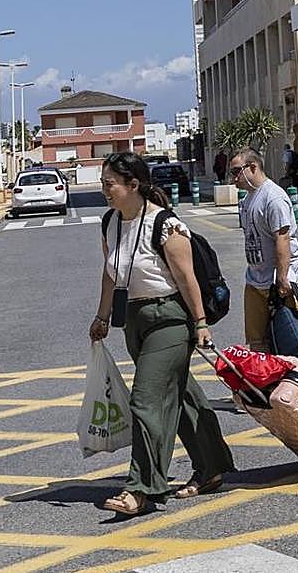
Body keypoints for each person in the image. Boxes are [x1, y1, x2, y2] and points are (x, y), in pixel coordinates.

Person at [89, 152, 234, 517]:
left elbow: (186, 279)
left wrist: (200, 323)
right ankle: (212, 465)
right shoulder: (110, 222)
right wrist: (102, 316)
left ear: (133, 185)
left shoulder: (165, 225)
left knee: (146, 399)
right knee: (181, 395)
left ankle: (142, 488)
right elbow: (111, 273)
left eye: (110, 184)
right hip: (135, 319)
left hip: (169, 318)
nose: (104, 190)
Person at [229, 147, 298, 353]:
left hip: (279, 279)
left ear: (252, 167)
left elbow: (282, 238)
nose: (233, 178)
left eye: (236, 171)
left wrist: (282, 279)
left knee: (289, 337)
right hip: (256, 278)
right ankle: (264, 382)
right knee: (257, 340)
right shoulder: (247, 200)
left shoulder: (273, 198)